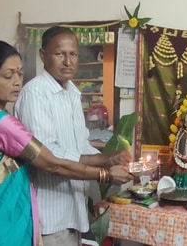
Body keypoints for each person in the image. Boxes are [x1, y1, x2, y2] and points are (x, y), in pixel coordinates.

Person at [0, 40, 133, 246]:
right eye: (8, 75)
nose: (17, 82)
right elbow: (52, 163)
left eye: (19, 73)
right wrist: (106, 174)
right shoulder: (0, 123)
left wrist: (106, 159)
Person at [14, 26, 130, 245]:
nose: (67, 61)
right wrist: (104, 173)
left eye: (73, 54)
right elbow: (50, 158)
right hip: (49, 215)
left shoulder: (72, 94)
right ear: (43, 55)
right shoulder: (35, 94)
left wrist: (108, 158)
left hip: (72, 210)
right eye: (60, 54)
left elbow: (79, 147)